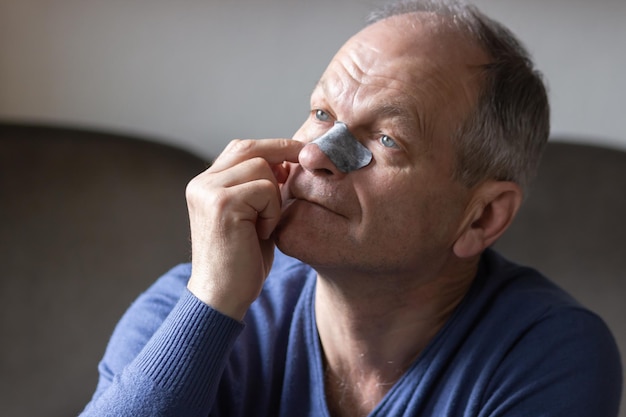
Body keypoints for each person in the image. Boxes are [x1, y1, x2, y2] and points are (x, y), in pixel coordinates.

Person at [80, 0, 622, 416]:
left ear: (481, 217)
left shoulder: (549, 354)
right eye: (322, 112)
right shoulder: (185, 305)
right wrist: (210, 303)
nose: (316, 153)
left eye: (386, 139)